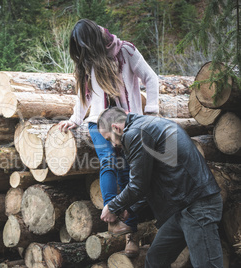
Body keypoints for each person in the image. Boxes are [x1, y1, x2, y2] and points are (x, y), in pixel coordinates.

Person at [58, 19, 159, 257]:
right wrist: (76, 118)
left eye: (83, 46)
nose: (82, 53)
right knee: (107, 160)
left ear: (94, 40)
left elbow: (151, 78)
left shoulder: (126, 51)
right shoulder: (87, 58)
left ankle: (130, 235)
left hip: (128, 121)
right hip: (97, 122)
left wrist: (152, 112)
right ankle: (113, 217)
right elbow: (84, 95)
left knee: (127, 172)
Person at [97, 107, 223, 267]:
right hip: (182, 208)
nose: (113, 144)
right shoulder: (145, 126)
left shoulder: (135, 133)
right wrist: (131, 208)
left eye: (109, 139)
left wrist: (112, 207)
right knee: (156, 260)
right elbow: (148, 180)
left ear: (116, 127)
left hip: (198, 206)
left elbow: (138, 185)